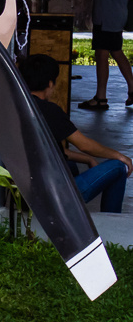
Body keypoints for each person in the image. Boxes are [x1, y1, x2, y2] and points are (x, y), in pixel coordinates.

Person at [18, 53, 132, 213]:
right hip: (55, 195)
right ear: (50, 84)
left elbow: (57, 151)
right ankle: (110, 219)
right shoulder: (49, 110)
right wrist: (119, 156)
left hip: (29, 190)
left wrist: (88, 159)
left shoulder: (17, 106)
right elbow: (84, 145)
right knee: (118, 167)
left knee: (70, 164)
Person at [59, 0, 132, 109]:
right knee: (115, 51)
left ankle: (101, 98)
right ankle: (129, 89)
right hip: (113, 14)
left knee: (102, 52)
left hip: (108, 15)